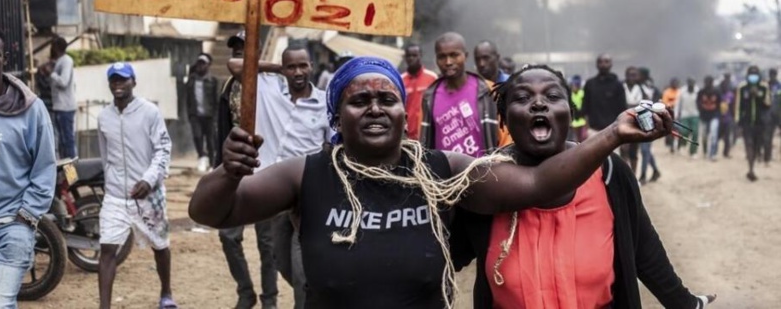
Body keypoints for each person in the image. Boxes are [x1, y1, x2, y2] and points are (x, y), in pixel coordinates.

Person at [188, 56, 678, 309]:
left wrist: (612, 135)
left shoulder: (442, 170)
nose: (376, 108)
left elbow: (536, 187)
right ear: (337, 114)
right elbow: (211, 213)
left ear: (407, 110)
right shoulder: (307, 172)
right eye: (360, 101)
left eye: (388, 98)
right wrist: (227, 172)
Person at [450, 65, 715, 309]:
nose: (539, 103)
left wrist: (685, 303)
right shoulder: (486, 182)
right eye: (522, 98)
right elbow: (438, 259)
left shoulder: (610, 172)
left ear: (570, 113)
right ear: (504, 119)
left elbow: (644, 249)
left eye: (553, 96)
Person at [228, 45, 332, 309]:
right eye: (291, 66)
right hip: (271, 194)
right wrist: (277, 69)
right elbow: (235, 65)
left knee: (300, 273)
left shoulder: (324, 103)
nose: (298, 72)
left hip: (306, 197)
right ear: (283, 68)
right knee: (280, 261)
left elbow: (332, 147)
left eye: (303, 65)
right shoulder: (267, 87)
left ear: (312, 66)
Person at [0, 23, 57, 309]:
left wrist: (26, 217)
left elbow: (45, 167)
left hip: (12, 226)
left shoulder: (31, 108)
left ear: (5, 59)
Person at [97, 62, 176, 309]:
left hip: (148, 195)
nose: (118, 84)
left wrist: (149, 180)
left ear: (134, 82)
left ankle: (166, 293)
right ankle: (104, 306)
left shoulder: (149, 112)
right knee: (107, 249)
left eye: (124, 79)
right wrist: (110, 183)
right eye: (114, 80)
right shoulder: (103, 117)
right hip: (115, 197)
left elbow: (163, 149)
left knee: (160, 245)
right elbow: (104, 155)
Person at [216, 32, 279, 309]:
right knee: (228, 235)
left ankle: (270, 299)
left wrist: (277, 68)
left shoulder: (273, 84)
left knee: (268, 242)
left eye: (245, 49)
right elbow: (221, 128)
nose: (239, 53)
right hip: (236, 171)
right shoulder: (231, 84)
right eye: (237, 49)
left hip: (266, 170)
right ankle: (245, 292)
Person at [420, 32, 510, 157]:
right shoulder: (430, 97)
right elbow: (425, 140)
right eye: (442, 57)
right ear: (436, 59)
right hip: (445, 175)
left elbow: (505, 137)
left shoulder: (487, 90)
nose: (448, 62)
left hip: (483, 173)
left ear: (465, 56)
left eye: (454, 55)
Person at [39, 36, 77, 159]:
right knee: (62, 141)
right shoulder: (60, 61)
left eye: (52, 46)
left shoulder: (66, 61)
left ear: (56, 47)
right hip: (59, 106)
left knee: (67, 140)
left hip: (65, 107)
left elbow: (63, 82)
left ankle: (72, 172)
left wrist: (51, 74)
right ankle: (65, 171)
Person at [735, 65, 771, 181]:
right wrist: (738, 123)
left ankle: (753, 163)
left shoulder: (764, 87)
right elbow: (738, 106)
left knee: (756, 146)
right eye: (751, 75)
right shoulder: (742, 88)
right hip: (747, 122)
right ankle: (750, 170)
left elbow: (768, 104)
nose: (753, 77)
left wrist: (758, 95)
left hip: (760, 122)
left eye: (755, 75)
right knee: (749, 144)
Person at [186, 53, 218, 173]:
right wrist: (190, 114)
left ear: (208, 65)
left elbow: (216, 100)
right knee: (197, 137)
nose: (201, 66)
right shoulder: (192, 80)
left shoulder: (213, 81)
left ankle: (212, 163)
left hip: (209, 116)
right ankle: (201, 157)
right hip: (195, 115)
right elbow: (188, 99)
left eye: (203, 64)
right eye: (199, 63)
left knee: (210, 140)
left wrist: (215, 117)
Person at [582, 54, 627, 137]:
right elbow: (585, 107)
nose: (603, 64)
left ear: (611, 64)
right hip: (593, 130)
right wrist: (587, 128)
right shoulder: (590, 84)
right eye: (600, 62)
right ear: (597, 64)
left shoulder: (618, 85)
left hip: (613, 130)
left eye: (606, 62)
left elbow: (622, 109)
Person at [401, 44, 438, 140]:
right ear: (405, 58)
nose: (411, 58)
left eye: (414, 55)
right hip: (407, 136)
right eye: (409, 56)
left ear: (420, 56)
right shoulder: (400, 80)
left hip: (428, 133)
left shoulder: (432, 77)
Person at [621, 66, 645, 173]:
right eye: (629, 75)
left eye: (634, 75)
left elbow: (645, 104)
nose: (632, 77)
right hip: (623, 120)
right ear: (626, 76)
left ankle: (633, 176)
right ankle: (625, 174)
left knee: (634, 151)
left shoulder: (641, 88)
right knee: (623, 149)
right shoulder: (621, 86)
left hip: (637, 121)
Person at [697, 76, 721, 160]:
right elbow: (698, 103)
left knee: (714, 135)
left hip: (714, 116)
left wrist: (718, 114)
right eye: (706, 82)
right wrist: (701, 111)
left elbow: (719, 103)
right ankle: (705, 151)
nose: (708, 84)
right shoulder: (701, 92)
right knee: (704, 136)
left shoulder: (717, 92)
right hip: (704, 116)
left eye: (709, 82)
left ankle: (713, 153)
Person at [676, 77, 700, 157]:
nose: (691, 85)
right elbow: (678, 103)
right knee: (684, 131)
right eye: (689, 83)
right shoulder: (682, 91)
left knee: (695, 132)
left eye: (692, 83)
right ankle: (683, 144)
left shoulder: (697, 91)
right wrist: (676, 114)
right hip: (685, 114)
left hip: (695, 114)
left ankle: (693, 152)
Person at [764, 68, 780, 163]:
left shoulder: (779, 86)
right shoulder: (765, 86)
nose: (772, 76)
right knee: (767, 137)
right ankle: (767, 156)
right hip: (767, 115)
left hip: (777, 114)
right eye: (771, 74)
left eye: (774, 74)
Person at [662, 78, 681, 153]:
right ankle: (671, 145)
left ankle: (678, 145)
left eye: (676, 83)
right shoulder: (667, 92)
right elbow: (665, 103)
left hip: (679, 114)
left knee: (679, 130)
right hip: (669, 113)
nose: (675, 85)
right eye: (674, 83)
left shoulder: (680, 92)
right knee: (670, 130)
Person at [718, 77, 736, 158]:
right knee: (716, 136)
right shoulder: (718, 95)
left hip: (728, 119)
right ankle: (713, 151)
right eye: (723, 85)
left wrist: (734, 117)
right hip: (719, 119)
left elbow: (733, 107)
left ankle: (726, 152)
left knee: (727, 137)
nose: (725, 87)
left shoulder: (731, 95)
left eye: (726, 85)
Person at [569, 75, 588, 142]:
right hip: (574, 121)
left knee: (583, 138)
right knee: (575, 139)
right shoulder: (570, 95)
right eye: (573, 85)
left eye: (576, 85)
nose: (574, 87)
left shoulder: (582, 93)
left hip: (582, 120)